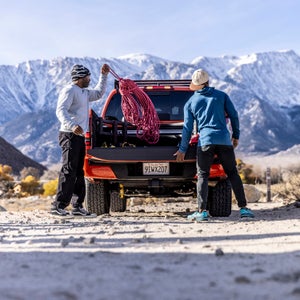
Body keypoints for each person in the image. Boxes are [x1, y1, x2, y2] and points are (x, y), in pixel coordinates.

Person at [174, 69, 254, 222]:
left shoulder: (190, 102)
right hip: (224, 141)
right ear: (208, 82)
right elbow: (234, 116)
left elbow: (187, 128)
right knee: (232, 173)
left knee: (203, 175)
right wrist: (235, 136)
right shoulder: (222, 96)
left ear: (196, 85)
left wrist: (182, 149)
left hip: (205, 142)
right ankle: (244, 209)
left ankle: (202, 211)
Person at [51, 63, 110, 216]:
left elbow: (98, 94)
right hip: (69, 135)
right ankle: (58, 206)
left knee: (78, 171)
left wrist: (103, 76)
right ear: (79, 78)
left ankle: (77, 206)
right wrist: (71, 125)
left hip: (79, 136)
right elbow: (60, 110)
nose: (89, 79)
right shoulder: (70, 90)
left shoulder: (83, 92)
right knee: (68, 169)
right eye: (87, 77)